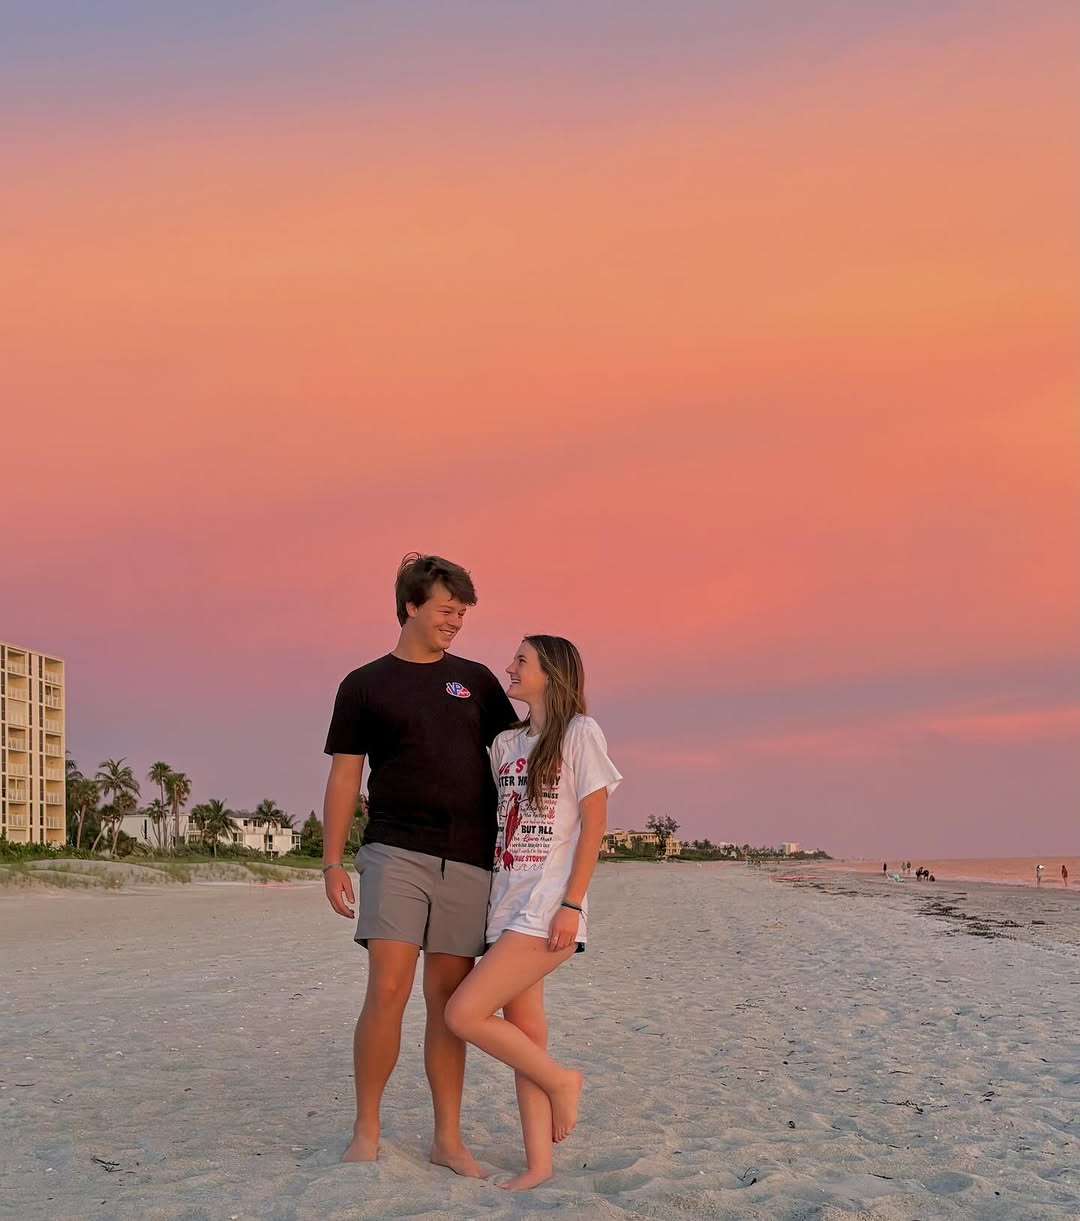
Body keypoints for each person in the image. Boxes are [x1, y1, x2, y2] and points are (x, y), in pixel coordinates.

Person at [321, 554, 517, 1169]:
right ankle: (367, 1130)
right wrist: (331, 861)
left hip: (468, 859)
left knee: (447, 1000)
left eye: (463, 612)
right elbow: (345, 776)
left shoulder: (477, 681)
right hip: (394, 851)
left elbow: (519, 759)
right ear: (411, 606)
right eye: (446, 609)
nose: (456, 620)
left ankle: (446, 1139)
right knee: (387, 987)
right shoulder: (364, 685)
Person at [444, 636, 622, 1191]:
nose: (510, 668)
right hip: (505, 906)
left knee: (462, 1013)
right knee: (525, 1033)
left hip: (547, 909)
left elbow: (594, 825)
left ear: (552, 672)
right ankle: (539, 1165)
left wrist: (572, 903)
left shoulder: (580, 733)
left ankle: (562, 1081)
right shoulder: (506, 744)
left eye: (521, 660)